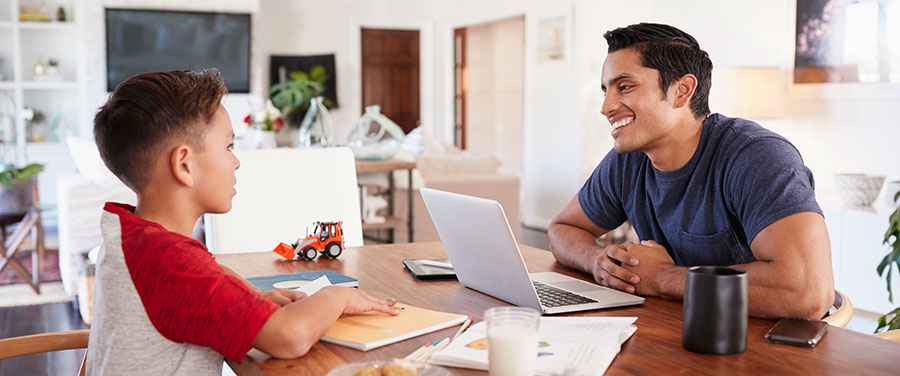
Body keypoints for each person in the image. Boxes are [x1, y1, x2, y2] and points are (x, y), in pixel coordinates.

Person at [86, 70, 398, 375]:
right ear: (184, 164)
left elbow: (203, 270)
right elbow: (290, 337)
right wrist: (337, 295)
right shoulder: (172, 261)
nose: (236, 161)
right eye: (228, 146)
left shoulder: (132, 236)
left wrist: (246, 295)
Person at [548, 23, 833, 320]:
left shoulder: (757, 157)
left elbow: (808, 293)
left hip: (762, 342)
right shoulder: (629, 160)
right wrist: (597, 260)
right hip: (680, 329)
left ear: (682, 91)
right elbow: (562, 230)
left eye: (625, 87)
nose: (606, 107)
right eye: (606, 90)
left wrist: (662, 277)